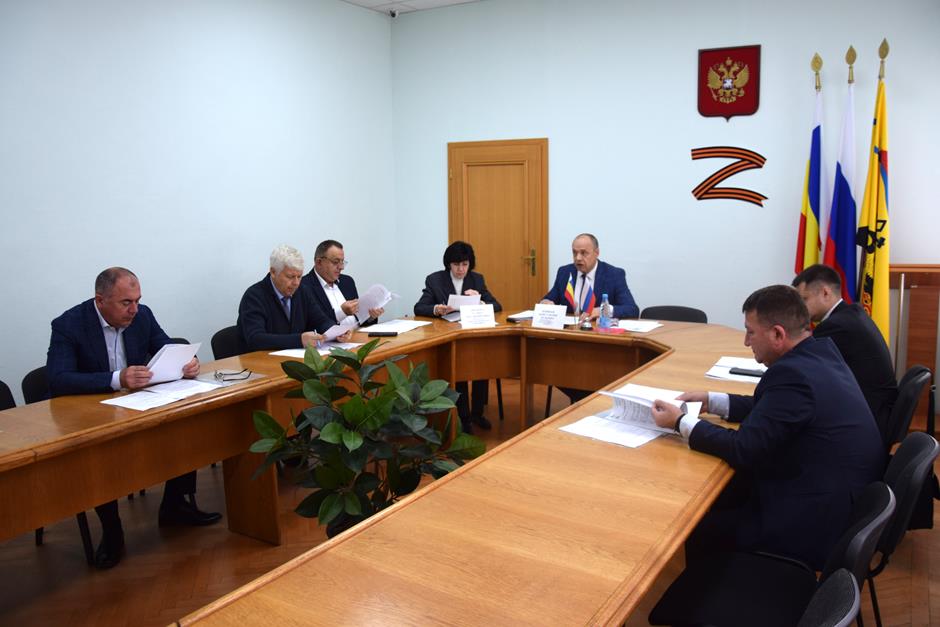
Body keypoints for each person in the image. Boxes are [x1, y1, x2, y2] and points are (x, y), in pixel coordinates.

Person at [650, 285, 885, 569]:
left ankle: (717, 592)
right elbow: (773, 409)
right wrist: (711, 401)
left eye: (750, 332)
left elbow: (743, 449)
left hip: (816, 521)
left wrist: (680, 422)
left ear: (777, 334)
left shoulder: (793, 375)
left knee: (695, 526)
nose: (746, 342)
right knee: (724, 493)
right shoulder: (819, 352)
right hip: (836, 493)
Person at [46, 267, 221, 570]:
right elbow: (58, 378)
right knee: (101, 453)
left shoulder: (142, 316)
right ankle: (112, 530)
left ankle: (175, 505)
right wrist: (116, 378)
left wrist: (188, 363)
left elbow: (167, 347)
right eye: (126, 302)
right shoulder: (69, 324)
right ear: (100, 300)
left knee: (183, 423)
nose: (134, 309)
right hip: (91, 412)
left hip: (136, 404)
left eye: (137, 300)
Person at [792, 264, 898, 443]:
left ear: (825, 293)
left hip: (868, 424)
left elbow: (801, 365)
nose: (800, 309)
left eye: (804, 299)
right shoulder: (852, 313)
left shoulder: (836, 326)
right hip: (877, 411)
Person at [414, 241, 502, 433]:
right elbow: (419, 307)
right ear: (449, 264)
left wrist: (479, 300)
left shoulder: (477, 280)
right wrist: (436, 309)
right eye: (456, 265)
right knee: (460, 370)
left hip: (474, 336)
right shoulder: (435, 280)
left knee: (481, 368)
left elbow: (497, 306)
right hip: (450, 338)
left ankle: (478, 414)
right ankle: (464, 418)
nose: (461, 269)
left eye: (465, 264)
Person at [237, 245, 349, 353]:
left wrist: (336, 332)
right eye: (290, 277)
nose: (296, 283)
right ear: (273, 272)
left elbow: (321, 320)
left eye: (299, 276)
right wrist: (299, 340)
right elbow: (255, 339)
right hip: (259, 361)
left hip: (294, 359)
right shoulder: (254, 296)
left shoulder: (302, 291)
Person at [541, 233, 639, 321]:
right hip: (570, 331)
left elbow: (632, 309)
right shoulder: (565, 272)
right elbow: (549, 299)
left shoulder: (614, 274)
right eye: (574, 252)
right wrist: (545, 303)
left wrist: (602, 310)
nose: (578, 258)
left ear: (597, 253)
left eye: (584, 253)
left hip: (598, 331)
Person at [302, 239, 383, 327]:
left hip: (357, 334)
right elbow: (311, 324)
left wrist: (370, 317)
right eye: (335, 262)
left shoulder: (347, 281)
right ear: (319, 262)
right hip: (329, 336)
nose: (341, 267)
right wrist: (342, 313)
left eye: (342, 262)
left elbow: (359, 319)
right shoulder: (303, 286)